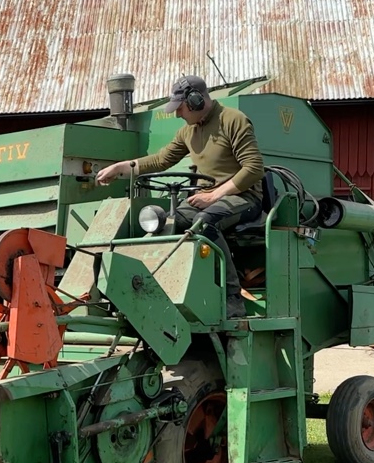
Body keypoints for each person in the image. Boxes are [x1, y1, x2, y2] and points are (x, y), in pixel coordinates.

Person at [95, 74, 266, 317]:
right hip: (208, 198)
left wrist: (214, 195)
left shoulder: (233, 120)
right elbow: (161, 160)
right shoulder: (188, 131)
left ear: (196, 100)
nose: (177, 114)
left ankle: (232, 297)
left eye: (180, 108)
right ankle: (157, 294)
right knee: (165, 222)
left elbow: (254, 169)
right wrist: (120, 167)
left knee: (205, 222)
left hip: (244, 198)